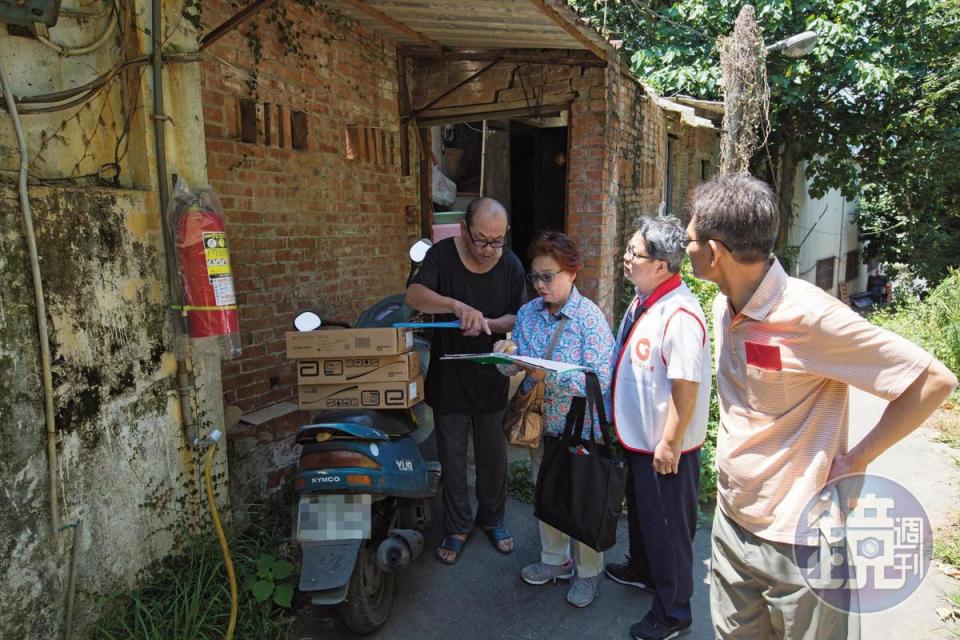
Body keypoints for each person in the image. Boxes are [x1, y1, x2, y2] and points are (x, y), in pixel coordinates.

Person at [685, 173, 958, 640]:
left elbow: (933, 382)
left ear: (715, 253)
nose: (683, 246)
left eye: (689, 238)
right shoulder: (723, 307)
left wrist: (859, 458)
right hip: (732, 524)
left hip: (802, 541)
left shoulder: (810, 317)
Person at [493, 231, 615, 608]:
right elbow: (518, 369)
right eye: (535, 277)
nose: (540, 285)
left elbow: (600, 378)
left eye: (549, 276)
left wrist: (550, 373)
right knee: (547, 493)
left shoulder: (588, 318)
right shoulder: (528, 314)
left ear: (572, 273)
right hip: (541, 423)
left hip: (582, 427)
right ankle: (554, 561)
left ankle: (588, 572)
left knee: (582, 500)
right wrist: (506, 358)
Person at [604, 216, 712, 640]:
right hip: (639, 437)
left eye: (635, 252)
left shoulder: (680, 314)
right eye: (628, 249)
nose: (626, 258)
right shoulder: (644, 298)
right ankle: (643, 569)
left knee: (668, 528)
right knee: (646, 516)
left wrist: (668, 442)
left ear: (663, 265)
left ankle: (673, 611)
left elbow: (685, 387)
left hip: (666, 447)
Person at [404, 197, 526, 565]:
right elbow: (413, 295)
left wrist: (487, 322)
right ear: (463, 229)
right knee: (452, 458)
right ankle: (456, 527)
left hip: (491, 374)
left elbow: (518, 317)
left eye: (497, 240)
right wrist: (455, 306)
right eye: (481, 239)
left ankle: (492, 520)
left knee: (493, 456)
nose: (489, 249)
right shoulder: (441, 256)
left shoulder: (510, 264)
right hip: (449, 376)